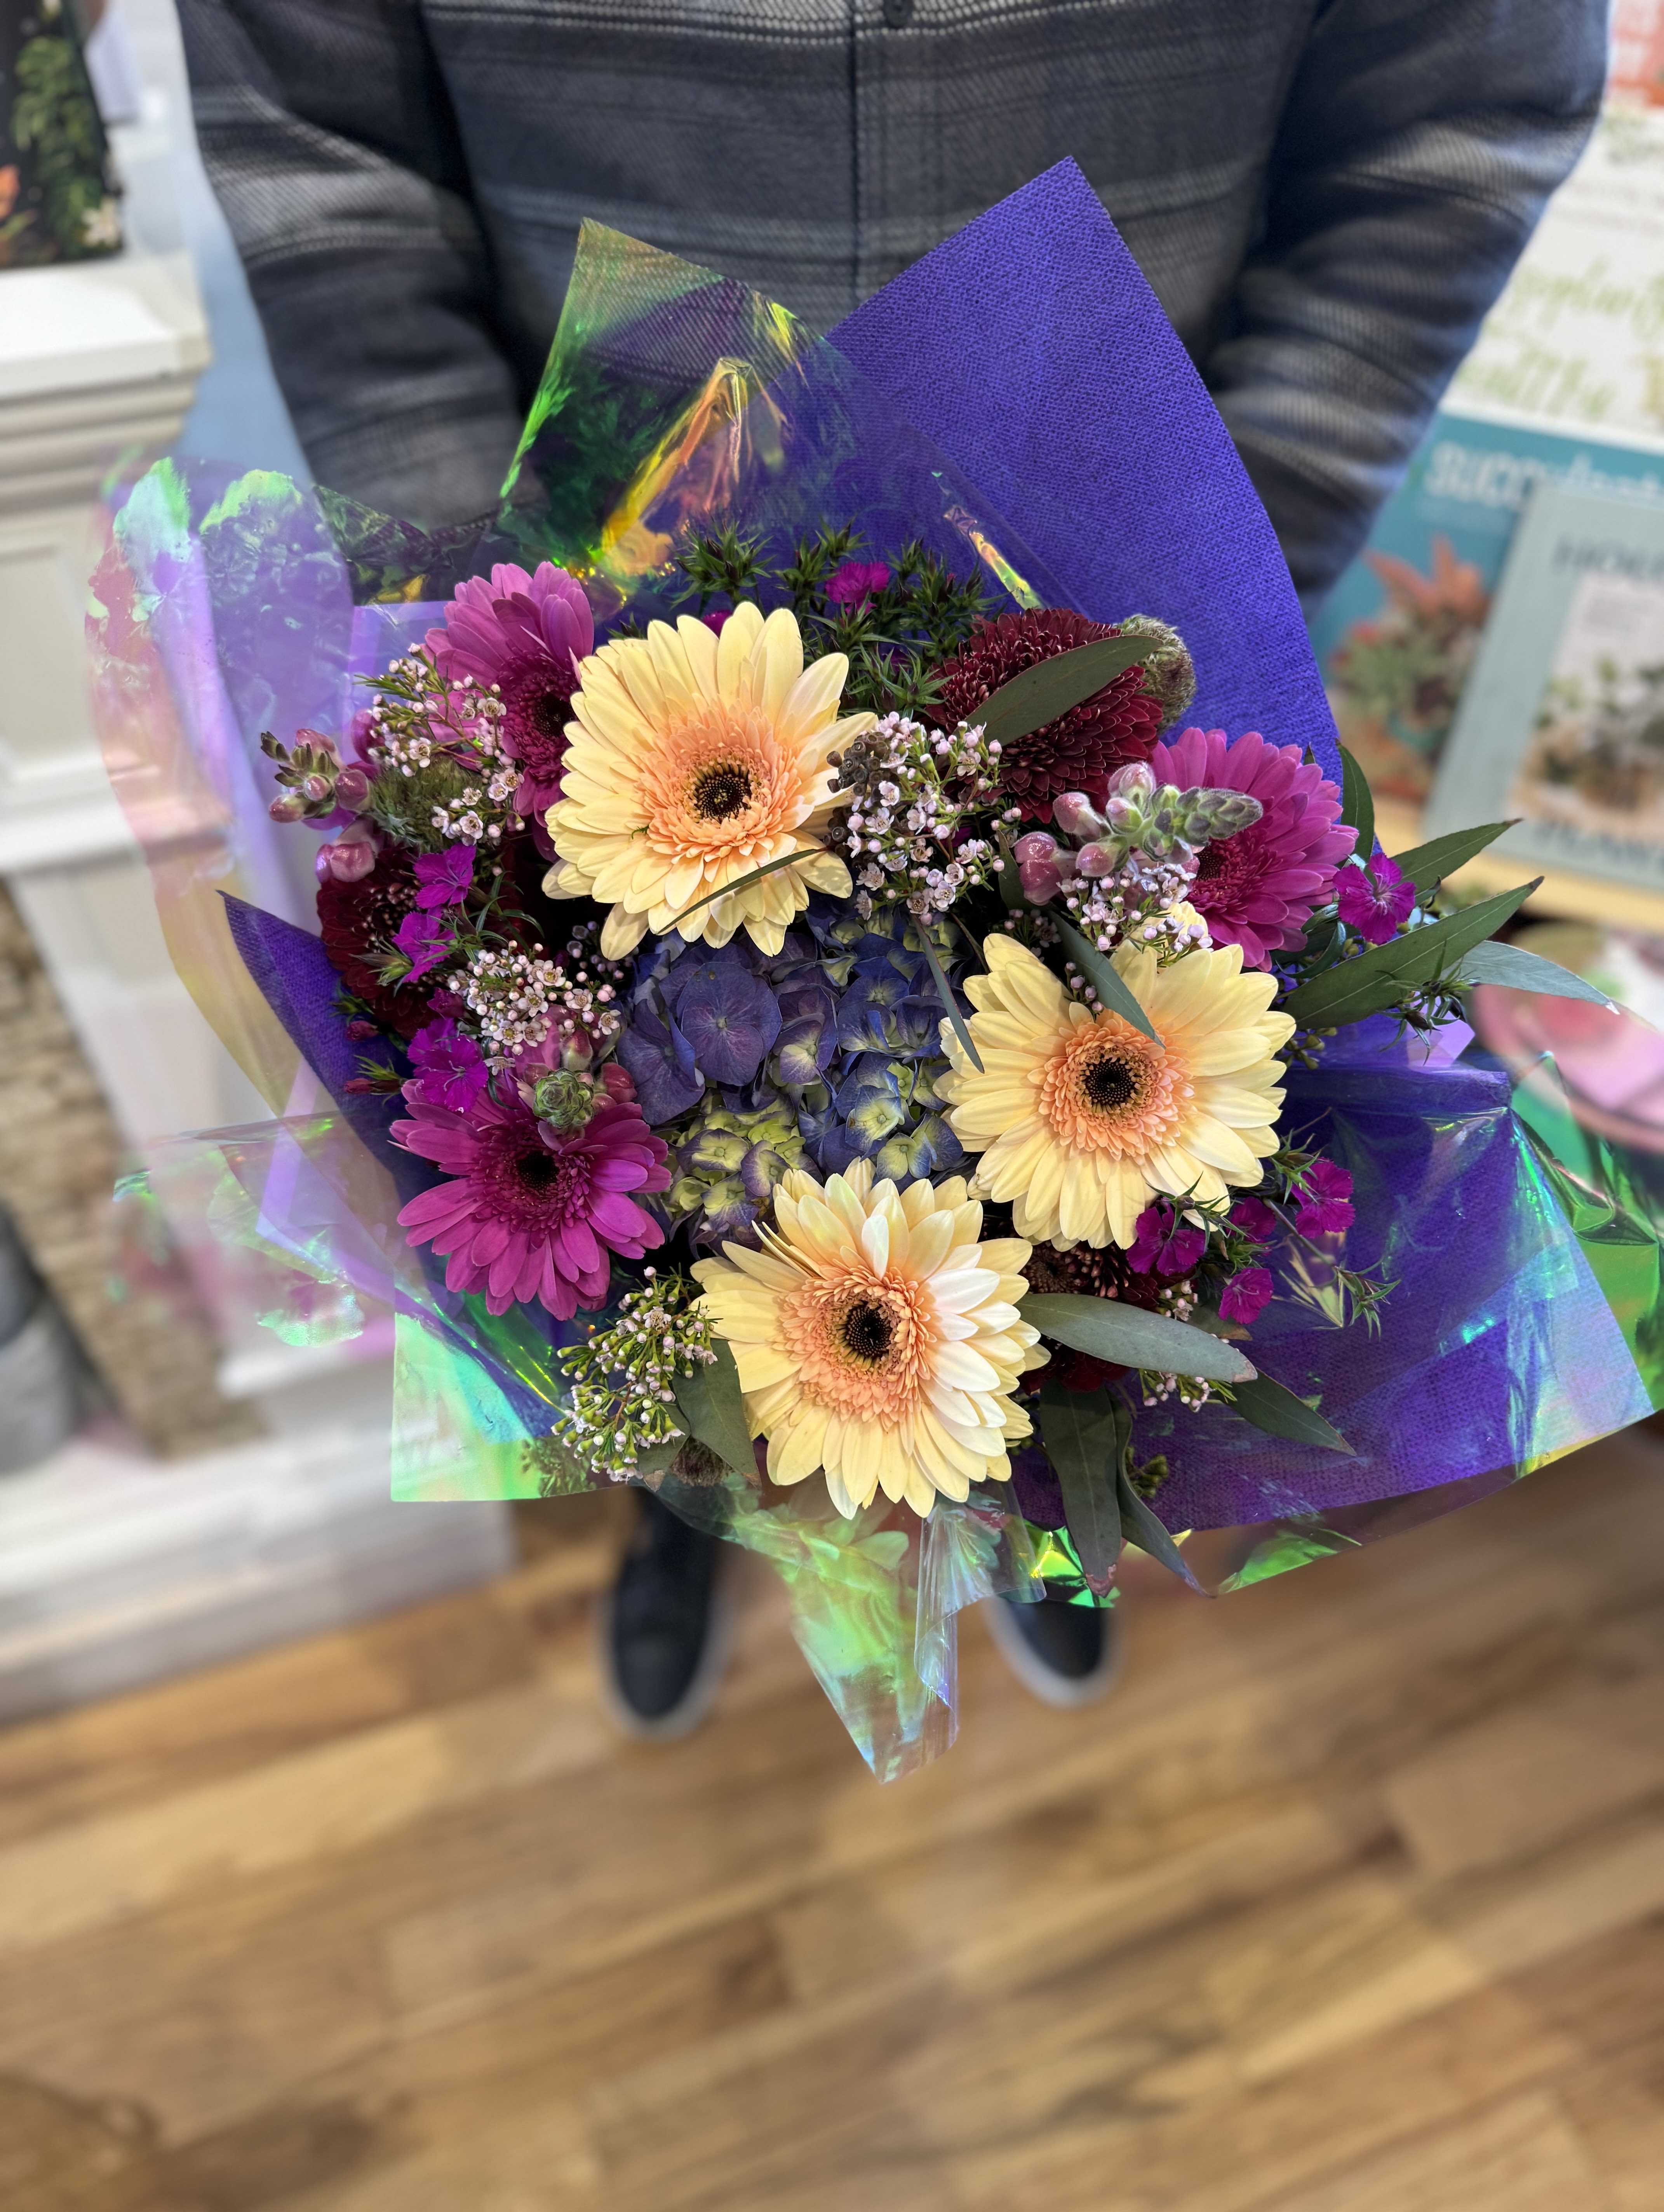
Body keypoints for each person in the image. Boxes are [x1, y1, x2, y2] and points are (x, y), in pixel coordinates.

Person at [176, 0, 1607, 1734]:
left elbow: (1459, 115)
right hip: (595, 636)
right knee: (633, 1238)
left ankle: (1040, 1528)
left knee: (1083, 1249)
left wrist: (1219, 549)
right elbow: (318, 154)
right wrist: (488, 621)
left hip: (1115, 637)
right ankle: (673, 1506)